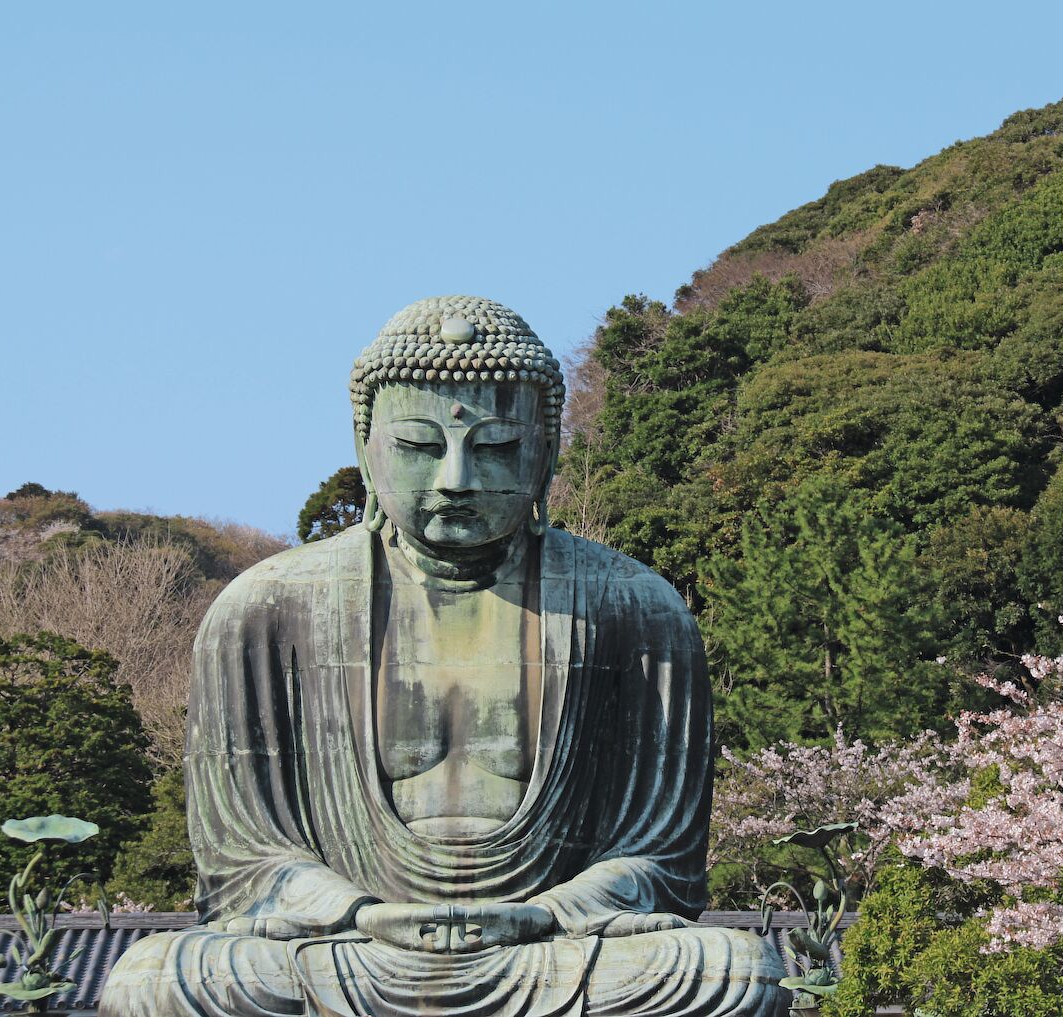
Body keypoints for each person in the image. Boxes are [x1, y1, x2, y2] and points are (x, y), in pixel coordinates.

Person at [100, 296, 787, 1017]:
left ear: (546, 451)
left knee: (736, 971)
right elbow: (243, 863)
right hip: (349, 949)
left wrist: (544, 913)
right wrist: (361, 912)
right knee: (154, 981)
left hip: (552, 950)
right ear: (365, 446)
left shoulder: (633, 607)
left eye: (494, 448)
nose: (456, 478)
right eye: (420, 447)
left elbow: (662, 862)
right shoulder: (267, 607)